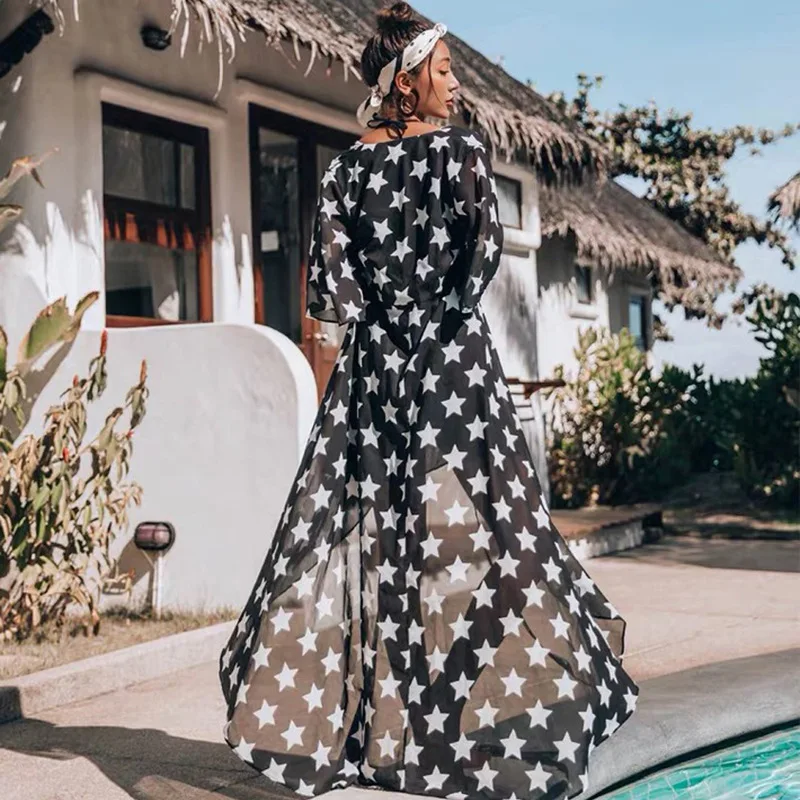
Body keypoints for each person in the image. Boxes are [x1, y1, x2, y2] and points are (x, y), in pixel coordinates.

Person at [218, 4, 640, 798]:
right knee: (496, 535)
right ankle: (493, 722)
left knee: (380, 548)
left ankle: (389, 740)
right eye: (444, 71)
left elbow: (330, 291)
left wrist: (386, 321)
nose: (455, 85)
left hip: (375, 378)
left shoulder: (344, 171)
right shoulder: (462, 153)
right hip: (452, 369)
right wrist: (429, 316)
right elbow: (479, 259)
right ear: (406, 82)